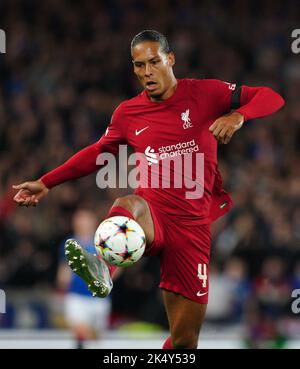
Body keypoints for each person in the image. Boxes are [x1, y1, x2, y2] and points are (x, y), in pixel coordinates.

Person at [12, 30, 285, 349]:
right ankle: (104, 267)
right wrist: (47, 181)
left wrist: (239, 115)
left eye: (154, 62)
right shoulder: (128, 113)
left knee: (185, 341)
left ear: (170, 59)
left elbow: (271, 96)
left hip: (192, 230)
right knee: (129, 201)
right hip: (152, 215)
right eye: (139, 65)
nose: (147, 72)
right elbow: (97, 153)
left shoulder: (206, 93)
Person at [56, 209, 112, 348]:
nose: (82, 223)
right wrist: (62, 282)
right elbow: (63, 271)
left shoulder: (102, 243)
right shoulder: (69, 243)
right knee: (80, 332)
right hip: (77, 296)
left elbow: (115, 266)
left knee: (96, 337)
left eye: (86, 219)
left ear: (93, 222)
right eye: (79, 219)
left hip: (99, 299)